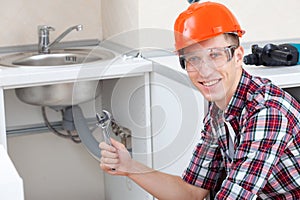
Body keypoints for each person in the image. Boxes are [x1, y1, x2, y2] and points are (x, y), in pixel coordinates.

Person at [99, 2, 300, 199]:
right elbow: (191, 192)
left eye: (215, 55)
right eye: (193, 59)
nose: (205, 70)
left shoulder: (267, 113)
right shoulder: (219, 111)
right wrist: (130, 167)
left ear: (238, 56)